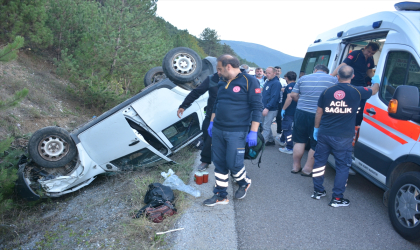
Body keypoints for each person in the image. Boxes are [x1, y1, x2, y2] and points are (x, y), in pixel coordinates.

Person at [311, 65, 379, 207]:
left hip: (324, 133)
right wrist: (376, 80)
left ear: (338, 76)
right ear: (353, 76)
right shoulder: (358, 91)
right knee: (342, 166)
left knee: (319, 162)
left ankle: (318, 191)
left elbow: (319, 112)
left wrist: (316, 129)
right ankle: (337, 198)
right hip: (344, 136)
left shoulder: (327, 91)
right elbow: (373, 91)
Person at [203, 55, 263, 206]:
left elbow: (257, 108)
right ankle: (221, 195)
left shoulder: (250, 81)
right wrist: (211, 123)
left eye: (219, 68)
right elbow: (217, 104)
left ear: (228, 66)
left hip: (237, 131)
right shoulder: (222, 81)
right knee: (219, 163)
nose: (218, 72)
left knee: (234, 163)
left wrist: (253, 131)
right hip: (218, 130)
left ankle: (244, 182)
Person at [290, 65, 338, 175]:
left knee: (300, 140)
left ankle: (296, 166)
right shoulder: (333, 80)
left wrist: (301, 102)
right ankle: (307, 169)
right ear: (326, 72)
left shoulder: (303, 78)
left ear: (315, 70)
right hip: (319, 114)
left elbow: (293, 94)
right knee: (315, 142)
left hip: (301, 112)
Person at [177, 72, 220, 171]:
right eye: (218, 69)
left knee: (228, 142)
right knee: (207, 138)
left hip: (228, 118)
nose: (219, 72)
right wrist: (184, 105)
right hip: (210, 116)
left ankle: (232, 168)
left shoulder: (234, 80)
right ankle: (205, 160)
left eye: (221, 69)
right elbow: (196, 92)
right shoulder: (211, 79)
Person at [331, 42, 380, 126]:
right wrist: (332, 76)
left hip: (361, 83)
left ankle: (357, 124)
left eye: (372, 53)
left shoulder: (370, 59)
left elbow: (369, 72)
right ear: (365, 47)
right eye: (368, 51)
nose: (369, 54)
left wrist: (376, 80)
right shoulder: (355, 54)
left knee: (361, 107)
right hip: (351, 83)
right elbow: (343, 65)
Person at [278, 71, 297, 154]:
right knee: (288, 127)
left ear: (287, 78)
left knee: (287, 129)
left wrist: (283, 109)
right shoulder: (297, 85)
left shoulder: (289, 86)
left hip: (289, 111)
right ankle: (282, 140)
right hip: (297, 110)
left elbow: (289, 98)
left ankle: (289, 147)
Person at [261, 67, 281, 146]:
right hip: (264, 106)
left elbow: (274, 97)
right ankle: (270, 140)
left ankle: (261, 143)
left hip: (271, 108)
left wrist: (267, 108)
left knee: (266, 126)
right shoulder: (267, 81)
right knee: (265, 125)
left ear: (274, 73)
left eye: (269, 73)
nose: (267, 74)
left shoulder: (276, 83)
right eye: (266, 73)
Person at [273, 66, 288, 145]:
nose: (277, 72)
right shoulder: (270, 80)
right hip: (273, 101)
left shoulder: (283, 81)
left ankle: (279, 133)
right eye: (276, 70)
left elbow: (285, 89)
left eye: (279, 71)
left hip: (280, 101)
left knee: (279, 118)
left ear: (280, 72)